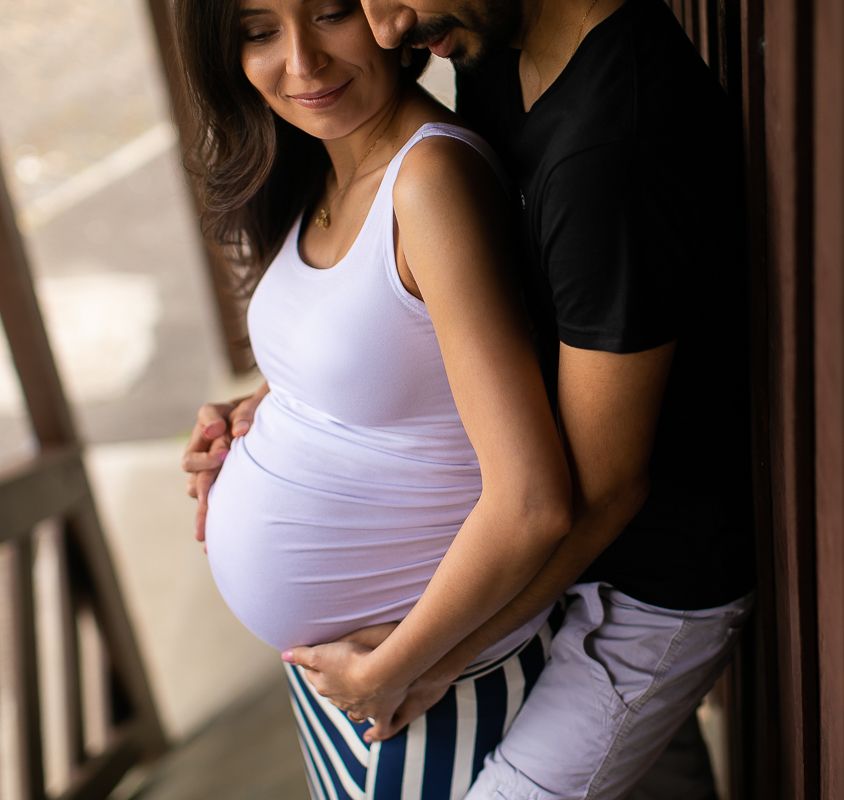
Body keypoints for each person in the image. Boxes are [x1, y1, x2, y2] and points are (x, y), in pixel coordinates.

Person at [184, 0, 758, 796]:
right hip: (495, 610)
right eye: (258, 31)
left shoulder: (598, 151)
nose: (388, 29)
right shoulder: (490, 54)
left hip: (638, 590)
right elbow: (429, 333)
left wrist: (412, 665)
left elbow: (581, 496)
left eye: (333, 11)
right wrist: (274, 410)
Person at [174, 1, 575, 797]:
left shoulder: (430, 183)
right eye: (259, 32)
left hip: (431, 679)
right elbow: (391, 348)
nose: (302, 62)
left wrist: (396, 668)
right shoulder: (327, 159)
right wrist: (256, 410)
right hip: (347, 684)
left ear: (387, 15)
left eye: (327, 13)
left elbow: (534, 502)